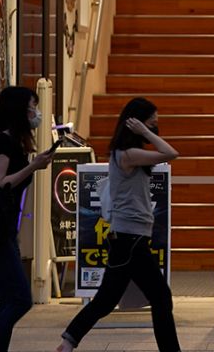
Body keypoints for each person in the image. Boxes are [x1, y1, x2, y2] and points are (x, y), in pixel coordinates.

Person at [57, 97, 180, 352]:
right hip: (130, 238)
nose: (154, 127)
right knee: (160, 297)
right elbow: (171, 153)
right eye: (151, 123)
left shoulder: (126, 154)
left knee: (106, 299)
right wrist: (145, 132)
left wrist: (144, 130)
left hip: (129, 237)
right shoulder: (128, 154)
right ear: (134, 124)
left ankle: (68, 341)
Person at [0, 86, 55, 352]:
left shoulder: (14, 141)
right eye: (33, 105)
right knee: (21, 299)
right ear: (20, 109)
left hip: (4, 229)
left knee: (10, 298)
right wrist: (33, 166)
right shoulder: (3, 142)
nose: (36, 112)